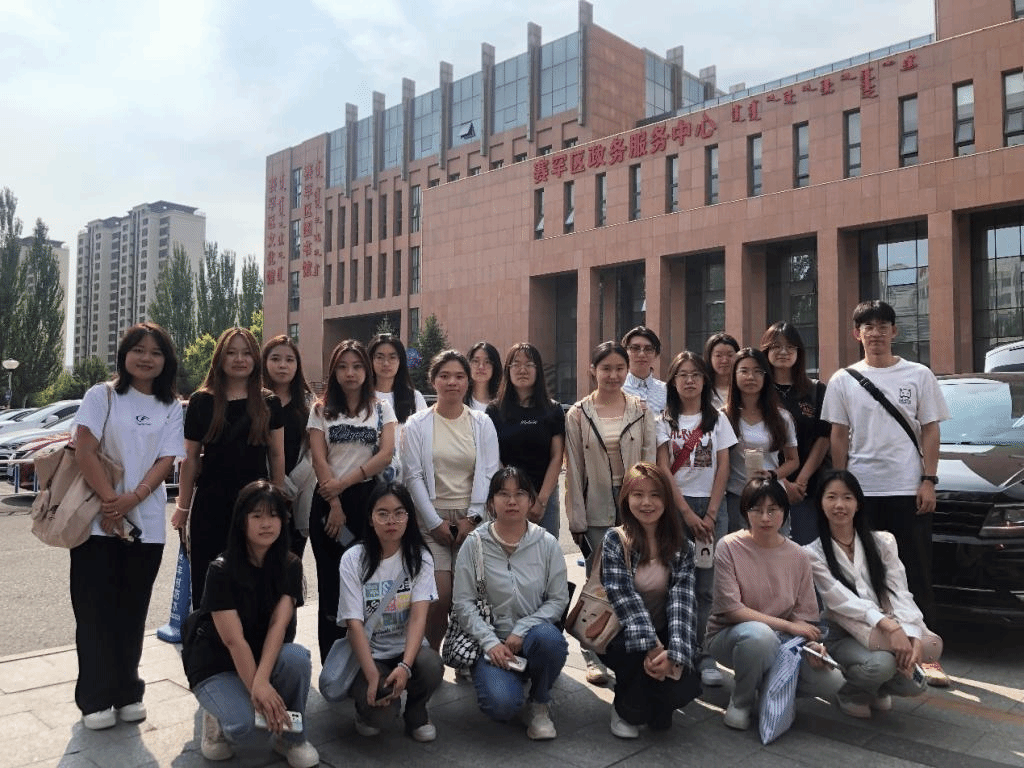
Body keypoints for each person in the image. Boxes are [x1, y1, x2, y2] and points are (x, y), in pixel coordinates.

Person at [821, 299, 950, 685]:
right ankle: (874, 645)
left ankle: (926, 651)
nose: (875, 333)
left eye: (882, 326)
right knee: (862, 569)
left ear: (894, 331)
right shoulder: (843, 379)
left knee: (915, 568)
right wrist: (842, 487)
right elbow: (838, 435)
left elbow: (930, 429)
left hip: (907, 488)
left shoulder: (919, 375)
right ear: (856, 334)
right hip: (862, 492)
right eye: (868, 327)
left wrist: (928, 479)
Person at [71, 323, 185, 730]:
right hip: (97, 523)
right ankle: (94, 698)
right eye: (138, 349)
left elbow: (167, 460)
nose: (146, 358)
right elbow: (84, 449)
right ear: (124, 354)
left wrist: (131, 500)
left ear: (166, 361)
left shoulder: (171, 406)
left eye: (156, 352)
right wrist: (111, 502)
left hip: (146, 525)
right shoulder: (101, 395)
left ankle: (128, 691)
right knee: (94, 611)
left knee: (132, 610)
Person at [182, 481, 318, 768]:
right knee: (251, 734)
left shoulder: (290, 565)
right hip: (217, 663)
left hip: (262, 654)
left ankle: (292, 738)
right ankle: (216, 716)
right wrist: (259, 688)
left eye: (274, 515)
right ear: (241, 521)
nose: (266, 524)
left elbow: (278, 626)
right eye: (257, 516)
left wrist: (261, 681)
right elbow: (234, 641)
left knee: (296, 658)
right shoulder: (221, 569)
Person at [706, 478, 844, 730]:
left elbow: (805, 617)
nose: (765, 518)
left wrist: (812, 645)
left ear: (785, 512)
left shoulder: (799, 556)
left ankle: (770, 688)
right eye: (756, 510)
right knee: (760, 637)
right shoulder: (729, 546)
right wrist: (788, 626)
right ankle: (742, 700)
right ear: (745, 512)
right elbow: (732, 610)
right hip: (732, 636)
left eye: (773, 510)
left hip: (783, 641)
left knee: (831, 680)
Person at [452, 467, 570, 740]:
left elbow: (558, 599)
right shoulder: (475, 544)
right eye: (503, 494)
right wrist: (490, 642)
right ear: (491, 503)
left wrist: (523, 629)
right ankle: (505, 678)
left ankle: (539, 702)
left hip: (531, 636)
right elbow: (463, 603)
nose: (512, 501)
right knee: (502, 705)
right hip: (491, 642)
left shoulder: (547, 543)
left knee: (550, 640)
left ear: (531, 501)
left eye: (520, 494)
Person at [804, 470, 930, 718]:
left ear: (858, 503)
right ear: (820, 503)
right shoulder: (812, 553)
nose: (839, 505)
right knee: (882, 664)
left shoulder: (883, 542)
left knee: (915, 684)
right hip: (843, 633)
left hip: (886, 630)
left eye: (847, 497)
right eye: (831, 497)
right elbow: (840, 600)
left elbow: (900, 591)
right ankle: (850, 693)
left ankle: (875, 688)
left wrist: (912, 635)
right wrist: (890, 627)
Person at [565, 341, 656, 685]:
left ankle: (628, 648)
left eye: (619, 368)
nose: (613, 375)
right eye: (606, 368)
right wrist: (576, 517)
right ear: (593, 371)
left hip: (636, 503)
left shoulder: (641, 409)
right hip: (597, 505)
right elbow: (574, 469)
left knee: (637, 578)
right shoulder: (578, 413)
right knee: (598, 581)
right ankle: (592, 653)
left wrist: (650, 504)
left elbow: (650, 460)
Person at [174, 327, 285, 607]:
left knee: (254, 585)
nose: (239, 359)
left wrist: (279, 503)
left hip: (255, 505)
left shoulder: (269, 402)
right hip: (210, 505)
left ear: (255, 359)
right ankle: (208, 634)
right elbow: (190, 459)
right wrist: (183, 508)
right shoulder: (201, 401)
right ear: (219, 358)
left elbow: (277, 456)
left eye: (246, 353)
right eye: (231, 353)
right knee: (208, 583)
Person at [403, 350, 501, 649]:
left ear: (468, 381)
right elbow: (412, 476)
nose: (452, 382)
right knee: (439, 595)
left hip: (472, 519)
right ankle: (430, 656)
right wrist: (434, 522)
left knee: (469, 594)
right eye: (444, 376)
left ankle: (465, 655)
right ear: (433, 380)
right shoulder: (416, 424)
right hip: (430, 520)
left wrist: (473, 519)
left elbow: (490, 472)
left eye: (459, 376)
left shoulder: (482, 422)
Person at [308, 339, 396, 662]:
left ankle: (369, 660)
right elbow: (319, 459)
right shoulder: (320, 410)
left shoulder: (381, 409)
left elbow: (385, 455)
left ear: (366, 370)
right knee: (332, 585)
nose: (350, 373)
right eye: (343, 367)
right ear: (334, 372)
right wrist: (334, 504)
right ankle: (333, 664)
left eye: (357, 366)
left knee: (368, 583)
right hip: (328, 505)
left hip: (367, 503)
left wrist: (344, 484)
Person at [599, 463, 700, 738]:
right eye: (638, 494)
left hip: (665, 632)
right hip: (619, 633)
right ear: (626, 498)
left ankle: (650, 699)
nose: (646, 503)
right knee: (635, 706)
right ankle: (624, 707)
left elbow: (683, 602)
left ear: (667, 499)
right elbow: (624, 598)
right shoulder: (615, 540)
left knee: (682, 690)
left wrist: (674, 654)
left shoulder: (682, 546)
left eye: (655, 495)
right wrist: (652, 647)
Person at [338, 482, 443, 742]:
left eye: (399, 513)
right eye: (382, 514)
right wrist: (372, 674)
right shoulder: (353, 559)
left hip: (406, 649)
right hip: (370, 653)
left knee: (431, 664)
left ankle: (417, 712)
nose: (391, 521)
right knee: (381, 717)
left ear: (409, 517)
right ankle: (364, 709)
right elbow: (354, 623)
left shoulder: (420, 558)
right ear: (370, 519)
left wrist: (405, 666)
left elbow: (419, 617)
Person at [655, 351, 736, 688]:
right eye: (682, 375)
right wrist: (687, 514)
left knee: (706, 587)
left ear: (705, 380)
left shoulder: (718, 419)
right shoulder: (663, 421)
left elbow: (724, 466)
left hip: (712, 509)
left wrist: (712, 513)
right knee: (673, 582)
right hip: (675, 509)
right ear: (673, 381)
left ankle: (704, 655)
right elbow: (663, 468)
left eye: (695, 374)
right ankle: (674, 649)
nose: (689, 380)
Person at [760, 322, 831, 545]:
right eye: (776, 346)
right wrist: (784, 483)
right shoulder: (759, 391)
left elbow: (823, 437)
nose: (783, 352)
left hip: (807, 489)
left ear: (799, 352)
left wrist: (801, 481)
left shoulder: (816, 390)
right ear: (766, 351)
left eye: (790, 347)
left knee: (806, 552)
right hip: (766, 486)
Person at [485, 343, 566, 537]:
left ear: (538, 370)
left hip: (545, 496)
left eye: (529, 364)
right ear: (508, 370)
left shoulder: (553, 409)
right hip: (507, 496)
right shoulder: (495, 410)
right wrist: (516, 494)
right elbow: (494, 456)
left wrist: (541, 501)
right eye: (516, 364)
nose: (522, 370)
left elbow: (557, 457)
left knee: (545, 551)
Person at [724, 347, 799, 533]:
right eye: (744, 371)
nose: (751, 377)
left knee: (777, 547)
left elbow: (793, 460)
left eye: (758, 371)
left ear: (766, 377)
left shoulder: (781, 417)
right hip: (737, 496)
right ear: (734, 376)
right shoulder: (723, 417)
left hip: (772, 495)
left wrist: (773, 474)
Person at [262, 334, 315, 559]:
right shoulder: (256, 401)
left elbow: (314, 452)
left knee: (292, 561)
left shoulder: (309, 403)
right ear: (265, 362)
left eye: (289, 359)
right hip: (263, 492)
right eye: (275, 359)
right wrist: (276, 485)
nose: (282, 365)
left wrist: (289, 488)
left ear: (297, 365)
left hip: (300, 493)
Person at [368, 333, 428, 483]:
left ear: (400, 361)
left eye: (392, 357)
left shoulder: (414, 398)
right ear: (370, 360)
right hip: (366, 479)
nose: (386, 363)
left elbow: (425, 443)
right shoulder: (361, 397)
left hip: (406, 481)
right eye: (379, 357)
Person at [621, 326, 667, 416]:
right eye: (635, 348)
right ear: (625, 352)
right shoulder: (616, 390)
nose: (642, 354)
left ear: (656, 354)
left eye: (648, 349)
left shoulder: (667, 391)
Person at [704, 332, 740, 409]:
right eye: (718, 355)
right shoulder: (702, 390)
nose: (724, 360)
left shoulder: (743, 389)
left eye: (730, 355)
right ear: (709, 358)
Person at [466, 341, 502, 411]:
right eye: (476, 361)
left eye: (487, 362)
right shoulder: (458, 402)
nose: (481, 367)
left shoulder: (502, 405)